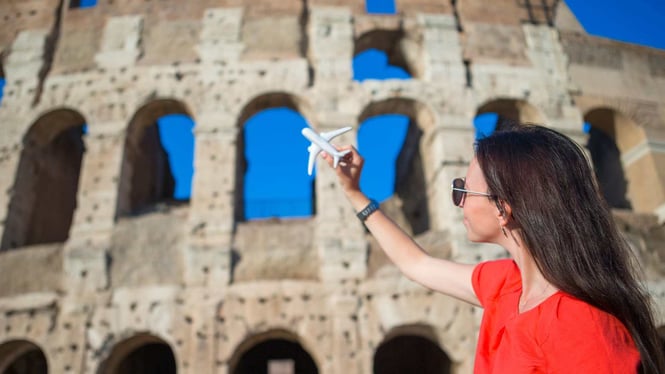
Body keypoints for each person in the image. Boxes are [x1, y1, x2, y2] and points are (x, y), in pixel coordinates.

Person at [322, 123, 665, 373]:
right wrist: (355, 193)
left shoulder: (583, 329)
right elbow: (417, 265)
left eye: (463, 191)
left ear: (503, 208)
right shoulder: (506, 284)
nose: (457, 203)